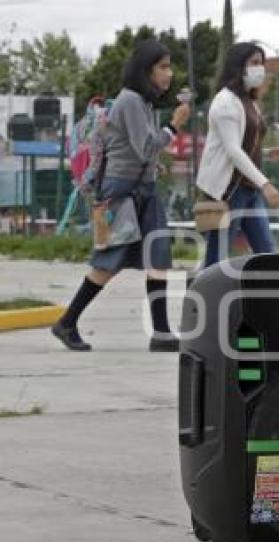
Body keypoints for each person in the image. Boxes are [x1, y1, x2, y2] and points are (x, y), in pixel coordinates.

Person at [51, 40, 190, 352]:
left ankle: (162, 333)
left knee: (157, 257)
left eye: (169, 66)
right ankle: (67, 322)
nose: (169, 73)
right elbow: (146, 145)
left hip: (143, 190)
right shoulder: (130, 101)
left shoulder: (142, 102)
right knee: (108, 261)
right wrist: (174, 126)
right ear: (146, 70)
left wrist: (153, 166)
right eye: (163, 67)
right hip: (121, 192)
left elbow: (139, 149)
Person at [196, 42, 279, 268]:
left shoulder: (249, 101)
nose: (260, 68)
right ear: (239, 66)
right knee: (217, 259)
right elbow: (233, 150)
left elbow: (242, 145)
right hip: (230, 190)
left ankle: (272, 300)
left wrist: (264, 153)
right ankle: (201, 299)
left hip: (249, 190)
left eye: (262, 63)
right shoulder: (225, 103)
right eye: (254, 63)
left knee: (266, 252)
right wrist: (265, 184)